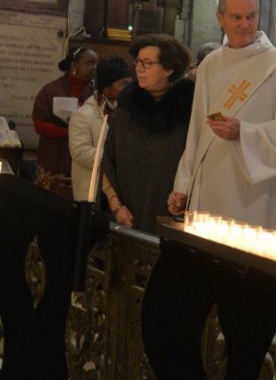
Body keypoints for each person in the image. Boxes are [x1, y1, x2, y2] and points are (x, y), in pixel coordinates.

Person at [169, 0, 276, 233]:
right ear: (219, 18)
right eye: (236, 17)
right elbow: (198, 130)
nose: (245, 24)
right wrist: (184, 183)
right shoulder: (210, 64)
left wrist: (245, 132)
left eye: (251, 16)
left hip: (257, 192)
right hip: (212, 183)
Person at [102, 35, 195, 233]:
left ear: (169, 69)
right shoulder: (127, 107)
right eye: (138, 62)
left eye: (147, 63)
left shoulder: (189, 110)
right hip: (127, 216)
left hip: (171, 219)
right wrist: (116, 206)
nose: (138, 69)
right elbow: (108, 159)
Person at [33, 46, 98, 196]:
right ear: (74, 66)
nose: (94, 68)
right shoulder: (51, 90)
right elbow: (39, 125)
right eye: (89, 63)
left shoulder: (97, 93)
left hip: (85, 163)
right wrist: (70, 132)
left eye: (96, 64)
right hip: (55, 158)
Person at [68, 57, 132, 202]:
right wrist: (116, 158)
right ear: (107, 86)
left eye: (130, 83)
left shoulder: (128, 112)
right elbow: (80, 152)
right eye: (123, 84)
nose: (128, 89)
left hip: (121, 191)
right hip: (93, 190)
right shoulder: (83, 115)